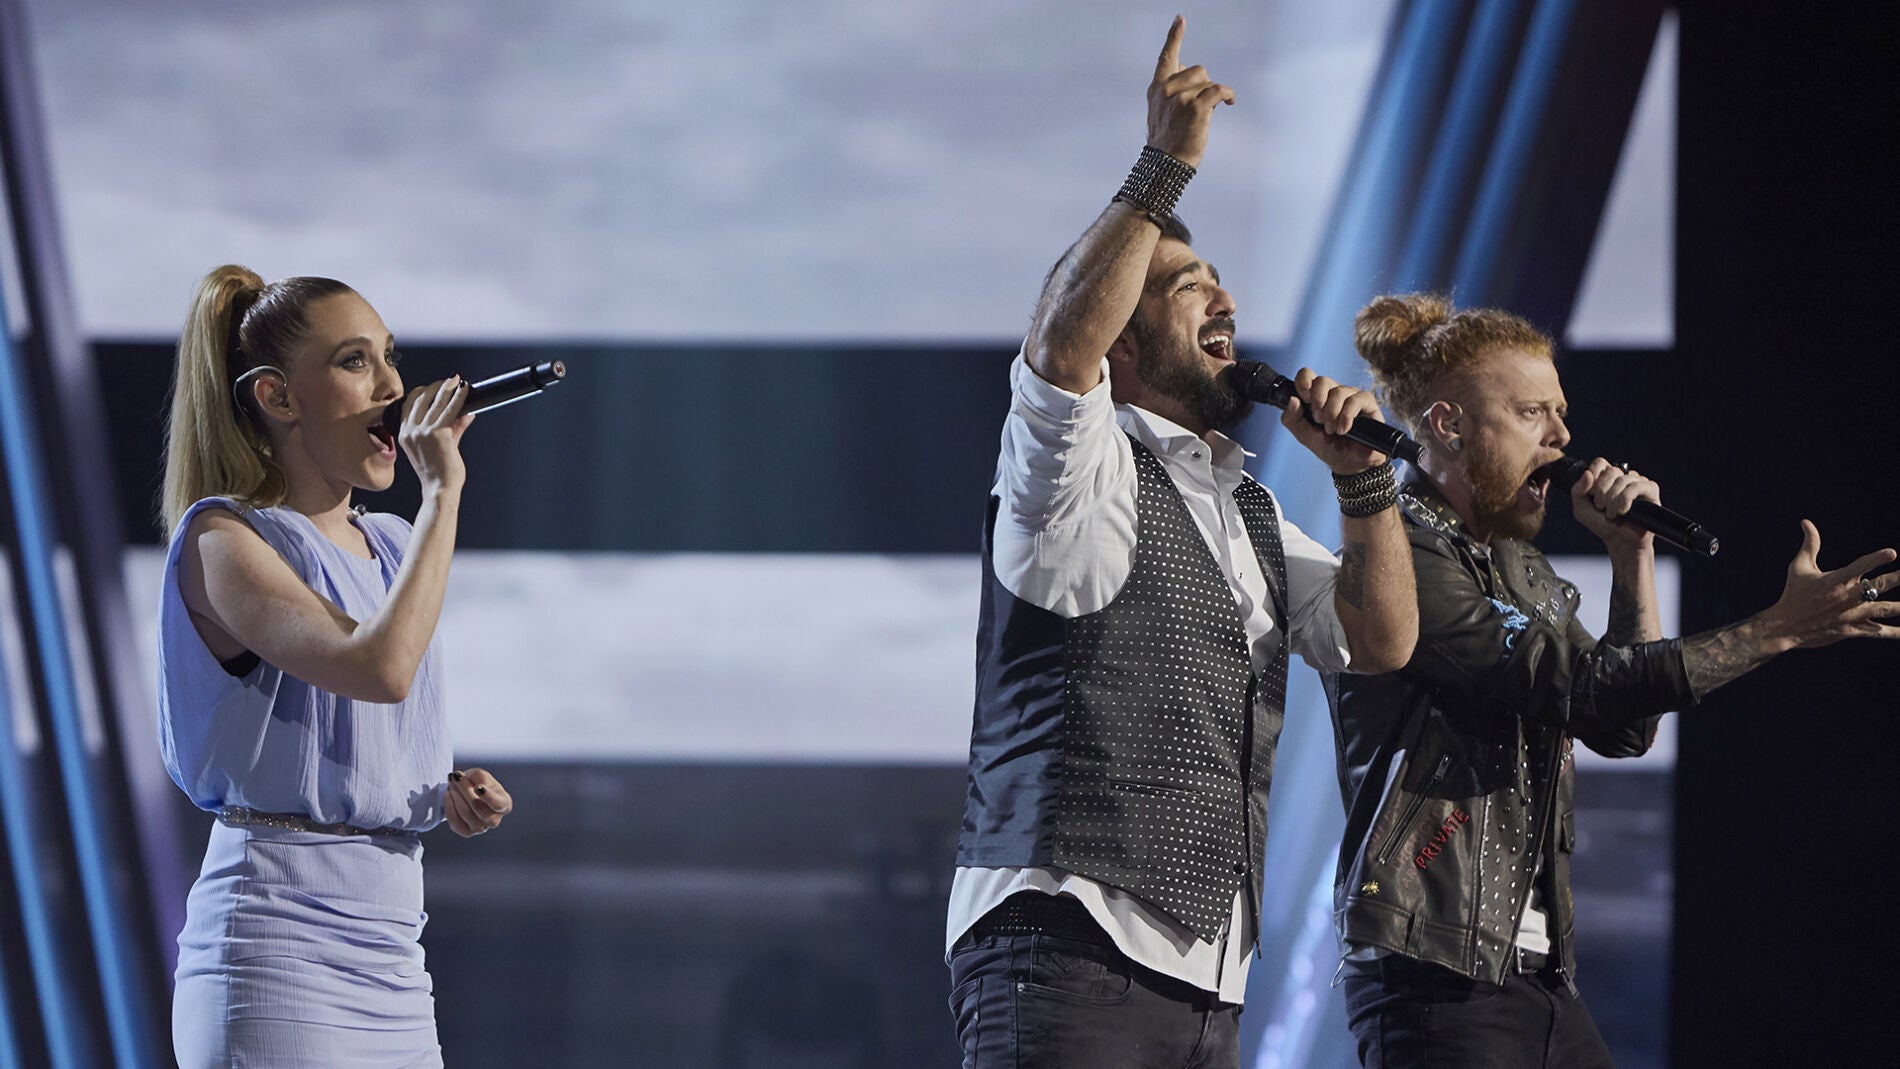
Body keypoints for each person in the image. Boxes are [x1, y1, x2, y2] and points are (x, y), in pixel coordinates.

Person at [946, 18, 1420, 1069]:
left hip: (1208, 989)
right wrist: (1164, 167)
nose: (1230, 302)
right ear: (1123, 337)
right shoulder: (1073, 461)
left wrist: (1364, 480)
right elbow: (1059, 347)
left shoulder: (1246, 509)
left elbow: (1377, 637)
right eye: (1189, 284)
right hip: (1068, 952)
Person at [1326, 293, 1898, 1068]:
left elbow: (1623, 725)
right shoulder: (1407, 553)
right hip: (1436, 970)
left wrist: (1632, 555)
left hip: (1535, 975)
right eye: (1533, 413)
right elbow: (1584, 684)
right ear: (1448, 424)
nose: (1562, 438)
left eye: (1561, 414)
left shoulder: (1522, 567)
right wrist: (1780, 628)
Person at [157, 265, 515, 1067]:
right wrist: (444, 493)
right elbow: (378, 666)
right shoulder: (225, 541)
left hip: (393, 950)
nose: (393, 386)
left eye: (390, 356)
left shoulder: (390, 543)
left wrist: (436, 788)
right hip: (277, 950)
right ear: (278, 398)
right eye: (356, 362)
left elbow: (373, 709)